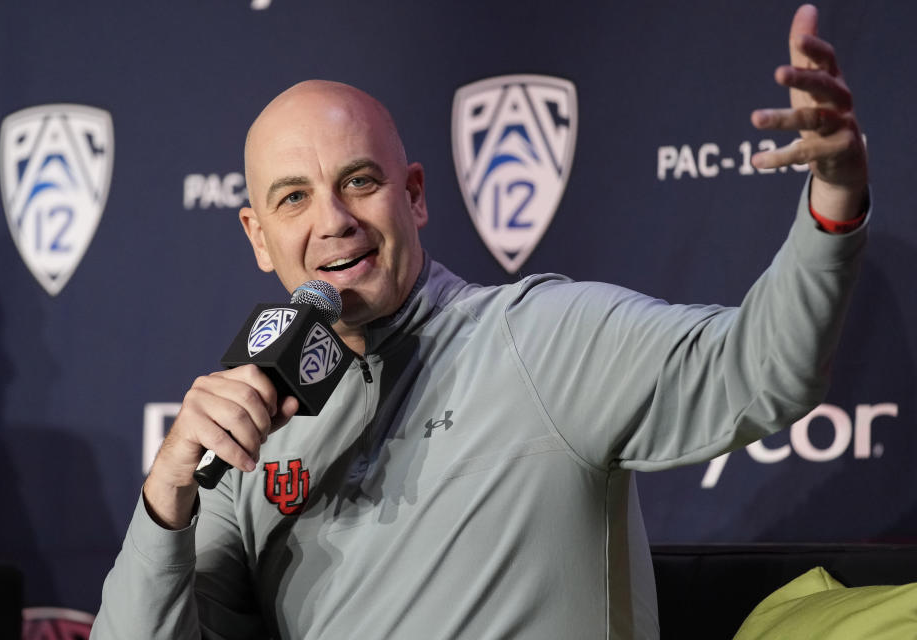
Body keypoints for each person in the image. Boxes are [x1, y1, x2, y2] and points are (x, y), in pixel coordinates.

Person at [92, 5, 869, 638]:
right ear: (258, 236)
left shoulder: (542, 337)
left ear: (417, 195)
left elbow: (763, 367)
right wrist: (166, 497)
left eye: (359, 181)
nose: (333, 221)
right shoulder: (246, 426)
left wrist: (831, 200)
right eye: (292, 197)